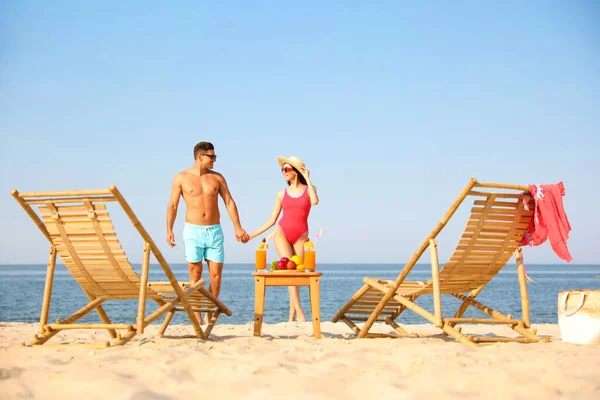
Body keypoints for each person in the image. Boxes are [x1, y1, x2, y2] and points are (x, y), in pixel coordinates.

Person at [166, 141, 249, 324]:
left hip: (214, 231)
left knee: (216, 276)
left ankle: (209, 313)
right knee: (195, 274)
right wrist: (169, 229)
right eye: (211, 156)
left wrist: (238, 226)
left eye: (215, 156)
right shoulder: (181, 178)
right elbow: (173, 205)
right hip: (192, 231)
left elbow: (229, 202)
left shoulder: (217, 178)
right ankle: (197, 317)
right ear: (199, 157)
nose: (214, 160)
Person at [246, 155, 319, 322]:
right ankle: (300, 313)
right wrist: (250, 235)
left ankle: (291, 316)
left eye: (286, 169)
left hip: (301, 236)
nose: (283, 172)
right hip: (282, 233)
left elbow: (315, 202)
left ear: (296, 172)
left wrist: (307, 177)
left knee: (297, 274)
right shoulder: (281, 194)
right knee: (287, 267)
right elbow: (271, 220)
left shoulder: (309, 190)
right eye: (282, 169)